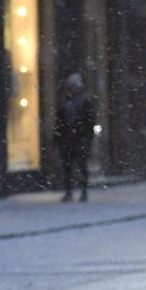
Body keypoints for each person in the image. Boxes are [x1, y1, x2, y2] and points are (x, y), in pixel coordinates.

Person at [53, 73, 97, 202]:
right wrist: (58, 137)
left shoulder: (84, 103)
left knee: (81, 166)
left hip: (79, 140)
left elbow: (90, 122)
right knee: (68, 167)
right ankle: (69, 191)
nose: (73, 89)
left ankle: (83, 191)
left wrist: (86, 137)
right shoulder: (65, 103)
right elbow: (59, 122)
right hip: (68, 141)